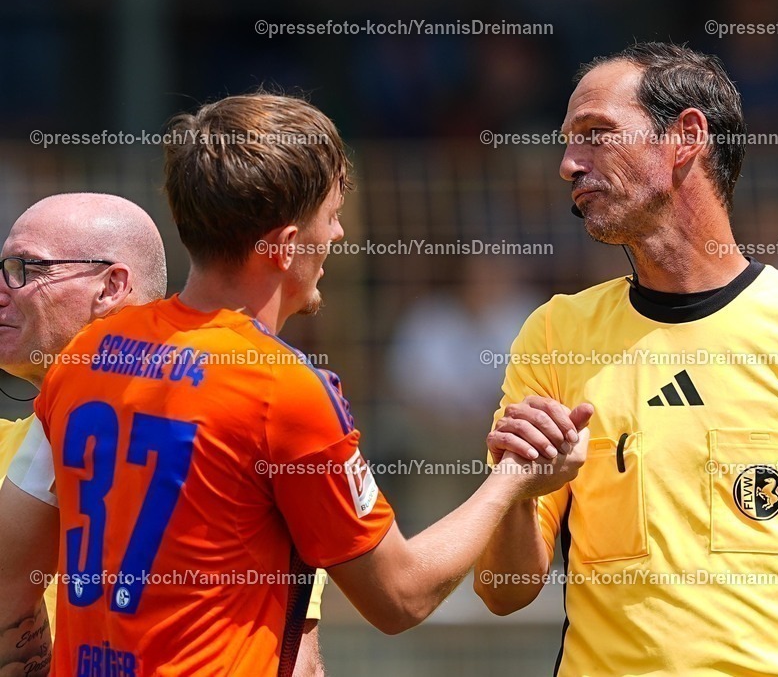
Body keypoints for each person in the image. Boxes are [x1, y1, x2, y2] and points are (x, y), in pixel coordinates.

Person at [26, 93, 585, 676]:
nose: (339, 235)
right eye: (332, 215)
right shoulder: (281, 388)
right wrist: (513, 479)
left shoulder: (85, 354)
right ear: (287, 246)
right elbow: (400, 597)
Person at [475, 42, 778, 676]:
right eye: (569, 141)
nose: (568, 163)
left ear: (686, 136)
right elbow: (504, 591)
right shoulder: (556, 333)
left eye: (596, 134)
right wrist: (517, 492)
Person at [0, 193, 328, 675]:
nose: (4, 288)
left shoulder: (234, 447)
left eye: (26, 268)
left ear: (111, 287)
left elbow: (295, 658)